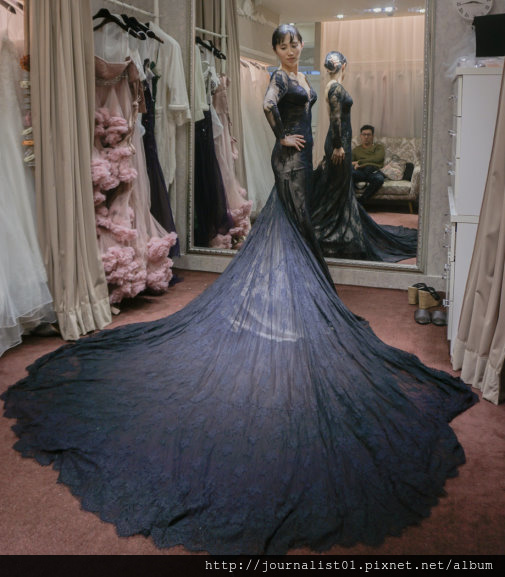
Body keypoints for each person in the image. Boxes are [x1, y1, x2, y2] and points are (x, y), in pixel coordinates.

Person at [1, 25, 478, 555]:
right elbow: (270, 108)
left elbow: (303, 109)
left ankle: (307, 288)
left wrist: (301, 137)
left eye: (295, 43)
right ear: (275, 49)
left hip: (304, 155)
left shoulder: (305, 78)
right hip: (289, 158)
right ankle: (304, 290)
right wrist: (281, 139)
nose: (292, 49)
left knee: (298, 225)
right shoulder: (278, 78)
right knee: (295, 221)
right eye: (285, 43)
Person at [310, 51, 417, 262]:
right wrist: (338, 146)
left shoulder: (332, 86)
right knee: (337, 187)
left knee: (340, 187)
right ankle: (332, 231)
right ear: (344, 66)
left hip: (340, 143)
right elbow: (335, 118)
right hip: (338, 145)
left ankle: (340, 229)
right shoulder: (335, 87)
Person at [352, 124, 385, 203]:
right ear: (361, 136)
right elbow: (351, 162)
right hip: (360, 172)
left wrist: (359, 162)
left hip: (373, 172)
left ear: (372, 136)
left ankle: (361, 201)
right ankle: (351, 201)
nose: (366, 137)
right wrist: (356, 164)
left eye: (368, 135)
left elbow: (378, 159)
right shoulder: (356, 150)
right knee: (348, 174)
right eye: (364, 134)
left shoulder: (378, 147)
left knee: (379, 179)